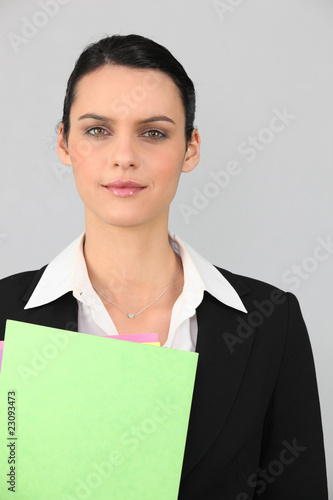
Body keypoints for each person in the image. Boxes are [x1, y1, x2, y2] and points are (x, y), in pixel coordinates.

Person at [0, 34, 328, 499]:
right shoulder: (3, 313)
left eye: (153, 132)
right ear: (64, 143)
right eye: (97, 130)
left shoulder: (271, 322)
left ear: (190, 148)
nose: (125, 156)